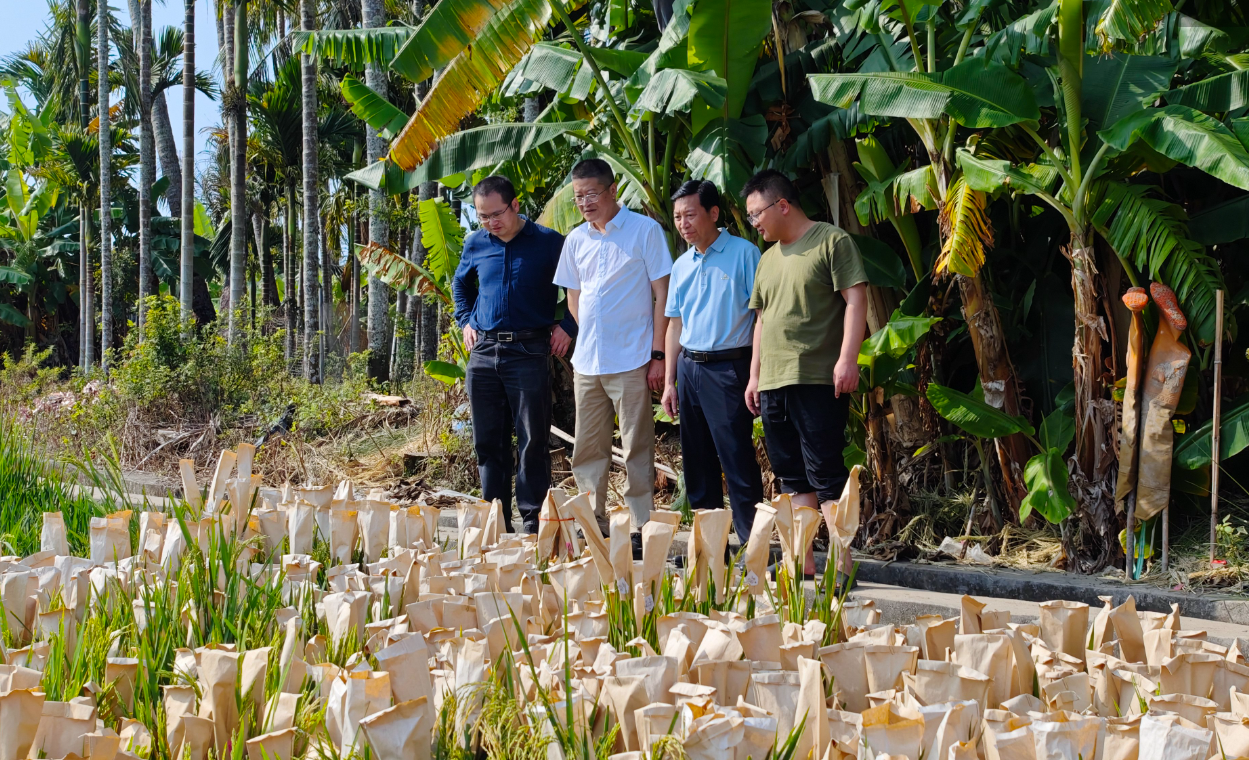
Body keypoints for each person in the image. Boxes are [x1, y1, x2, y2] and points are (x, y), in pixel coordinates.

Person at [742, 169, 868, 581]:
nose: (754, 223)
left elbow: (856, 300)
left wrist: (847, 358)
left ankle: (842, 566)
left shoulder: (831, 241)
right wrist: (754, 376)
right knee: (793, 478)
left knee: (826, 474)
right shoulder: (766, 259)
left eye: (756, 213)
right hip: (773, 383)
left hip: (816, 377)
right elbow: (761, 321)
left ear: (782, 205)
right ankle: (802, 563)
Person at [554, 158, 672, 556]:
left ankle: (641, 523)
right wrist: (588, 335)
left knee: (637, 444)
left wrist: (657, 353)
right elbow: (574, 298)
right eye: (578, 197)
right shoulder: (576, 240)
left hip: (632, 357)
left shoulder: (644, 231)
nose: (585, 203)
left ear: (613, 190)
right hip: (587, 361)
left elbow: (662, 295)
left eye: (592, 194)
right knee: (588, 448)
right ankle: (592, 521)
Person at [453, 175, 576, 534]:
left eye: (497, 214)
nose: (491, 222)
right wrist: (465, 320)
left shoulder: (549, 242)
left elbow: (577, 285)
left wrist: (569, 325)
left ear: (515, 205)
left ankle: (533, 521)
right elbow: (461, 283)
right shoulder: (475, 243)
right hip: (484, 352)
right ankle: (496, 520)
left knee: (532, 439)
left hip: (529, 350)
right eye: (483, 216)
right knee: (488, 441)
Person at [660, 180, 763, 545]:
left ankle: (753, 544)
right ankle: (709, 547)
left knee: (736, 457)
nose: (683, 224)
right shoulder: (681, 264)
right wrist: (669, 381)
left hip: (729, 368)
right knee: (697, 460)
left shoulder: (745, 253)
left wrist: (755, 374)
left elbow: (761, 317)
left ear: (714, 213)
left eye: (690, 214)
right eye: (677, 217)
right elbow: (675, 325)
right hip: (689, 368)